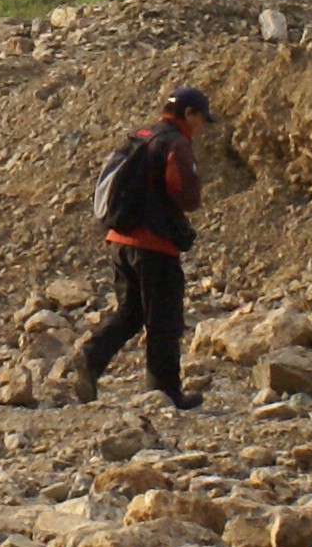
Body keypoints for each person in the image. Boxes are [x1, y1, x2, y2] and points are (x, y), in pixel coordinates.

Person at [67, 85, 211, 409]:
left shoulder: (141, 136)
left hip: (120, 240)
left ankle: (92, 356)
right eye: (201, 118)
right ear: (188, 114)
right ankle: (164, 391)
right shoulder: (176, 144)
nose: (201, 126)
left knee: (131, 313)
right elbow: (187, 197)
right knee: (164, 319)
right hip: (154, 244)